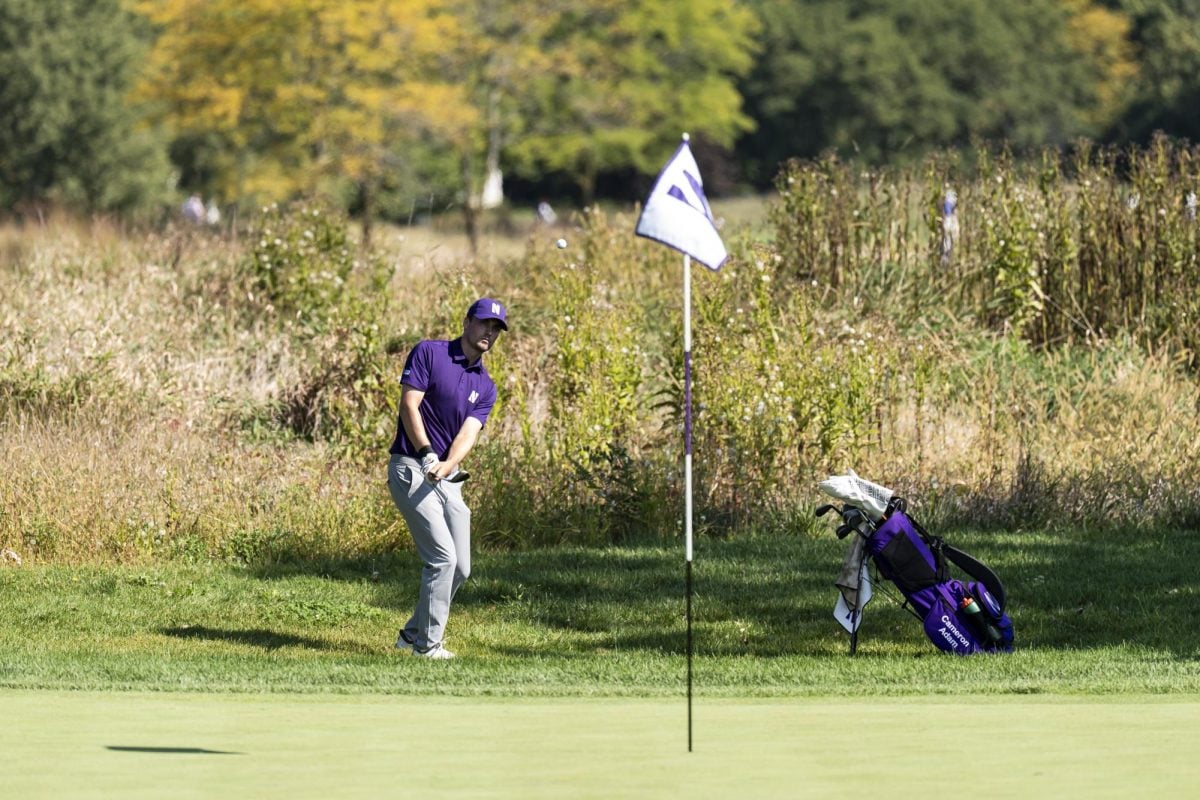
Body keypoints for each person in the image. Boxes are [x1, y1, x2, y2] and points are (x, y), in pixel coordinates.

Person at [387, 297, 508, 659]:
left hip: (447, 476)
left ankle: (411, 634)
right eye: (485, 323)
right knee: (442, 558)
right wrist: (427, 453)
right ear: (468, 321)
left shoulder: (485, 385)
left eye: (496, 328)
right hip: (411, 466)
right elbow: (409, 404)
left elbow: (469, 432)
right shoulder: (429, 353)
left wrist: (449, 462)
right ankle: (428, 646)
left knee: (462, 567)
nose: (489, 332)